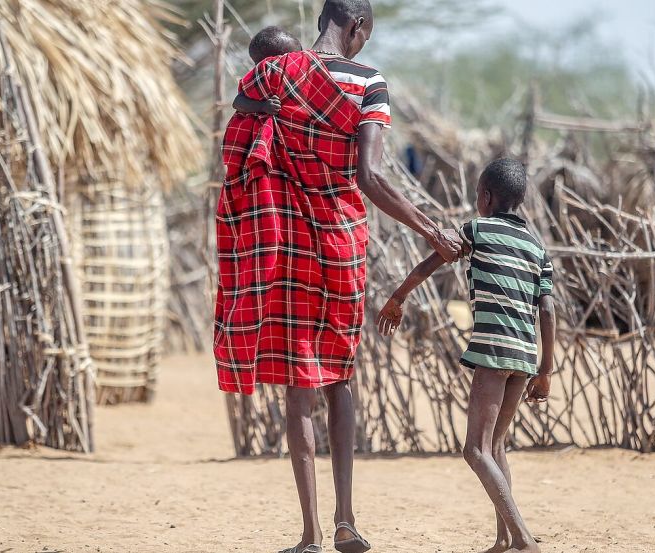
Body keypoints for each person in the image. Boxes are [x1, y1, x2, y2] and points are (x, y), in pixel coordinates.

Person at [214, 1, 467, 552]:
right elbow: (370, 176)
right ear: (357, 27)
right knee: (340, 380)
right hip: (340, 242)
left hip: (289, 245)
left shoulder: (276, 70)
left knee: (299, 389)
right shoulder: (368, 81)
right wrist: (430, 229)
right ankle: (346, 521)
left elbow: (242, 110)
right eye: (364, 37)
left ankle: (308, 536)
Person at [376, 158, 556, 553]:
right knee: (497, 447)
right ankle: (504, 539)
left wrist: (397, 297)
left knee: (475, 450)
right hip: (525, 356)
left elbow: (431, 262)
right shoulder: (537, 248)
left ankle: (524, 539)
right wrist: (546, 370)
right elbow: (547, 310)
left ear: (487, 197)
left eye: (477, 194)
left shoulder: (477, 229)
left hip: (493, 349)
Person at [232, 26, 303, 116]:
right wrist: (262, 106)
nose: (300, 61)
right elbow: (238, 102)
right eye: (292, 59)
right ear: (267, 66)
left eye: (300, 55)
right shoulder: (257, 80)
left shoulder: (302, 75)